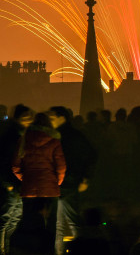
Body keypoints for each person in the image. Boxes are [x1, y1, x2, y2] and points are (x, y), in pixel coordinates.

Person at [47, 106, 97, 255]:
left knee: (60, 222)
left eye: (52, 117)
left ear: (61, 118)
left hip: (63, 183)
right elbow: (91, 155)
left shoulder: (57, 136)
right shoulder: (74, 135)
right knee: (70, 220)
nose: (49, 120)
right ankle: (79, 250)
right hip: (70, 182)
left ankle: (61, 251)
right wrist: (85, 178)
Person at [11, 112, 66, 239]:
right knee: (51, 225)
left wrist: (24, 179)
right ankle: (48, 250)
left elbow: (16, 166)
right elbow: (61, 165)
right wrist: (57, 181)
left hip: (29, 188)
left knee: (29, 224)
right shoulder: (54, 141)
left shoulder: (24, 139)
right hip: (49, 188)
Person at [0, 105, 34, 253]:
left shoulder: (20, 134)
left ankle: (5, 248)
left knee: (12, 217)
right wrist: (7, 183)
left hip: (17, 183)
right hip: (12, 184)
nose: (28, 120)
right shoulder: (13, 136)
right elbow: (4, 160)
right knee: (7, 217)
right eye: (25, 117)